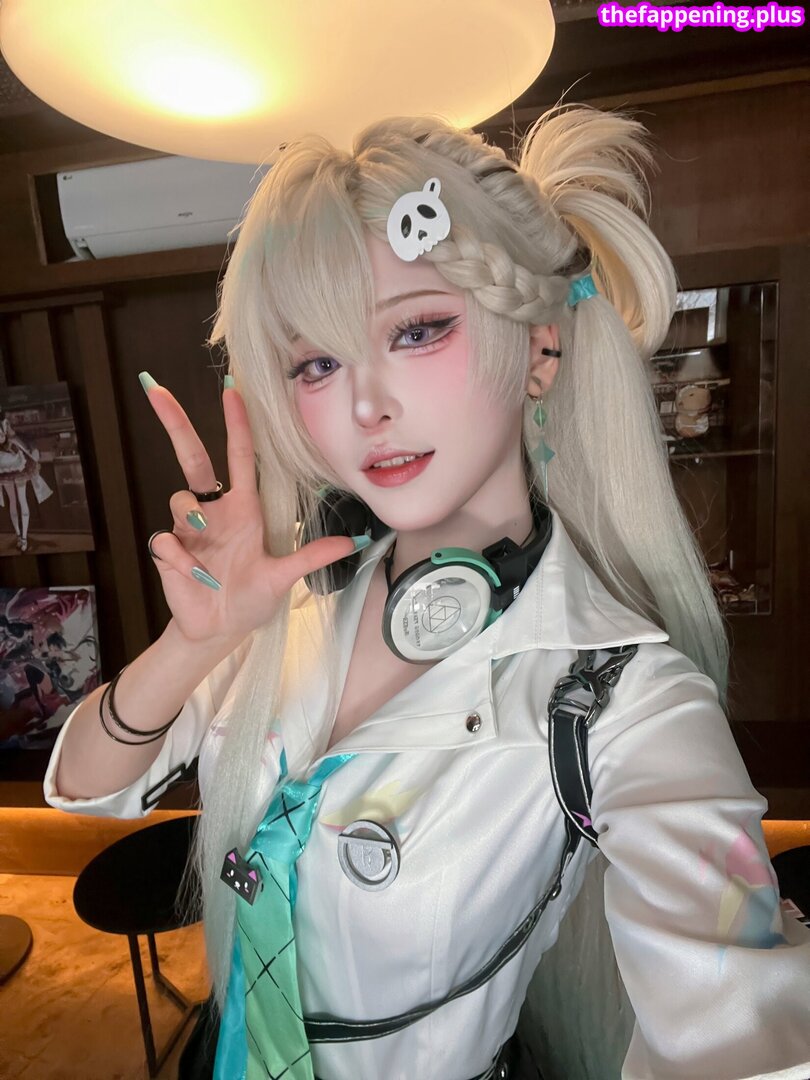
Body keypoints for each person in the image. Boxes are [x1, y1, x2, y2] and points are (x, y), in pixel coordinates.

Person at [43, 106, 810, 1080]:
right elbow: (91, 792)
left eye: (418, 329)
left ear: (540, 350)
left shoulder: (622, 701)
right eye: (319, 363)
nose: (367, 405)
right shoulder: (291, 605)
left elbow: (744, 1035)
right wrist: (194, 644)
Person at [0, 408, 53, 553]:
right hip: (3, 465)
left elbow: (14, 437)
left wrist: (11, 441)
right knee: (12, 501)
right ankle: (19, 535)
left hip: (15, 463)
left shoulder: (5, 423)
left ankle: (23, 537)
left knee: (21, 500)